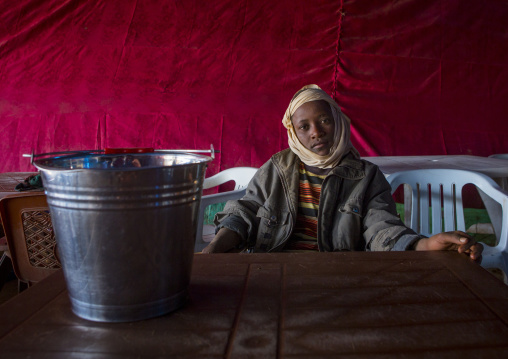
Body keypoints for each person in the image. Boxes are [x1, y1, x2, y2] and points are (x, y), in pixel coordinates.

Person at [202, 84, 483, 262]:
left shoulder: (366, 176)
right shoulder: (276, 168)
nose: (316, 133)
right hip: (273, 268)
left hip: (336, 274)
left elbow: (380, 229)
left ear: (337, 122)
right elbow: (246, 212)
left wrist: (422, 244)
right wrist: (215, 247)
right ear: (293, 131)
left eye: (324, 120)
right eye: (305, 126)